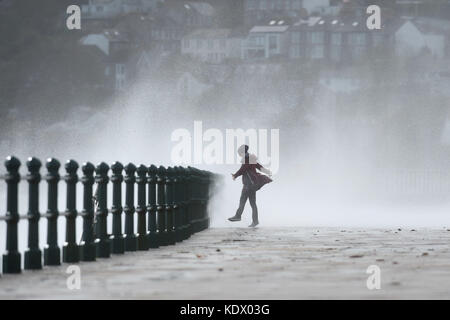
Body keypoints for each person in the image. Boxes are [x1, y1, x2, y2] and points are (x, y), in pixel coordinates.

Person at [228, 145, 272, 227]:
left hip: (248, 184)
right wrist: (268, 172)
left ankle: (238, 216)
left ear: (242, 152)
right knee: (252, 203)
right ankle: (255, 221)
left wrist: (235, 175)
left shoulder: (247, 159)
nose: (239, 155)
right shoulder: (251, 159)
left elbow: (242, 169)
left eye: (239, 153)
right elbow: (260, 167)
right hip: (253, 184)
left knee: (242, 200)